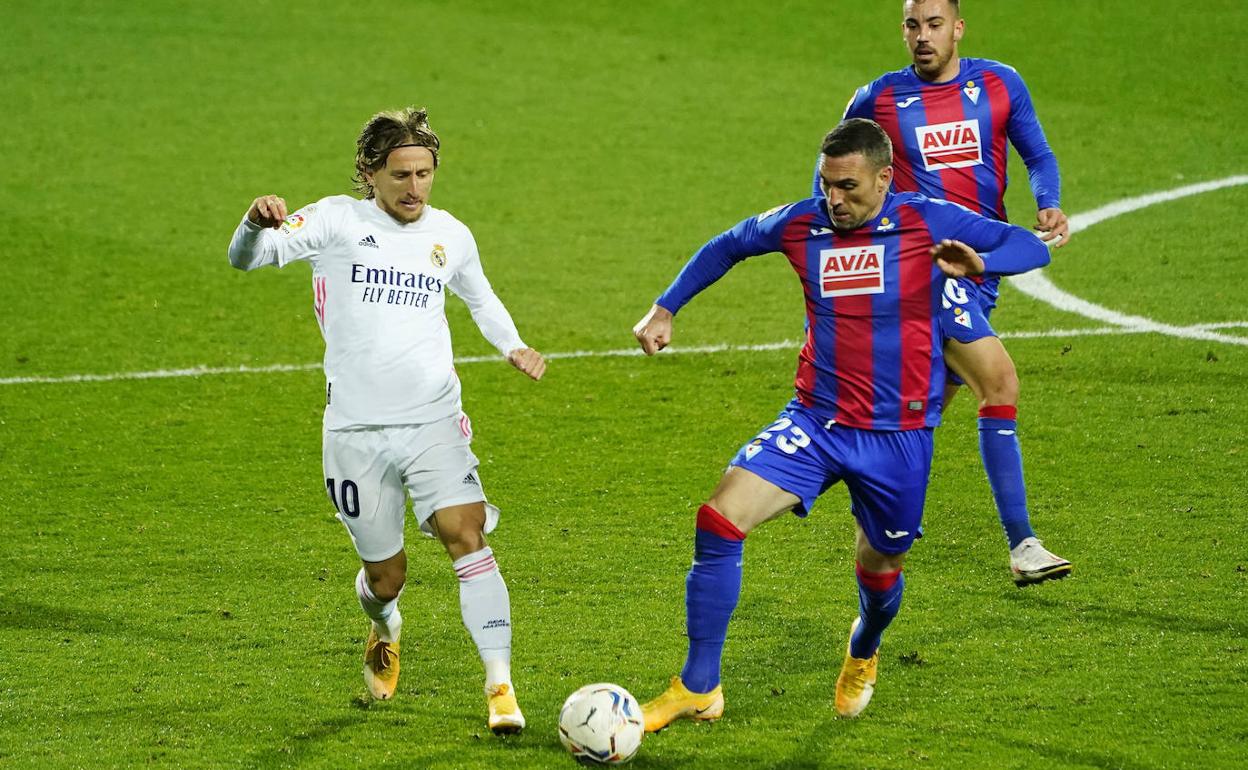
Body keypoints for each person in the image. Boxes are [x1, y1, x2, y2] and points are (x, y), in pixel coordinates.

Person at [635, 118, 1049, 729]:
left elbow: (1031, 247)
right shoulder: (802, 223)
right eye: (828, 185)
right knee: (719, 520)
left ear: (885, 178)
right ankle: (700, 686)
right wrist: (666, 306)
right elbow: (728, 243)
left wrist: (980, 260)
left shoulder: (926, 220)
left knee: (880, 572)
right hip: (816, 421)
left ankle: (865, 646)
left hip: (898, 439)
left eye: (849, 186)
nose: (836, 199)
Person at [227, 107, 545, 734]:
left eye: (424, 173)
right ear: (370, 173)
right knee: (386, 575)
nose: (414, 187)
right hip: (355, 431)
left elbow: (480, 296)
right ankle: (383, 626)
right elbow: (248, 259)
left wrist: (512, 345)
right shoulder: (335, 221)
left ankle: (500, 686)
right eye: (400, 174)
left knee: (466, 533)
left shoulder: (450, 234)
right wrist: (250, 223)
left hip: (432, 418)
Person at [809, 0, 1072, 586]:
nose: (922, 37)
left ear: (958, 28)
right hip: (925, 265)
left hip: (982, 263)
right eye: (911, 25)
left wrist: (1047, 198)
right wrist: (840, 243)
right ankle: (1023, 543)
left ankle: (876, 499)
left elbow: (1038, 152)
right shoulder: (877, 97)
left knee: (928, 398)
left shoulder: (1000, 83)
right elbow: (827, 175)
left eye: (933, 24)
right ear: (901, 30)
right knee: (998, 382)